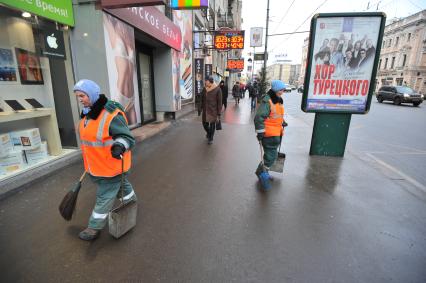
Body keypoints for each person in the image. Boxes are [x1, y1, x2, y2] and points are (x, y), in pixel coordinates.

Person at [73, 79, 137, 241]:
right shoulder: (88, 112)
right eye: (78, 96)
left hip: (110, 166)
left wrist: (119, 146)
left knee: (105, 196)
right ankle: (132, 202)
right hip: (96, 165)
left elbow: (126, 137)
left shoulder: (111, 114)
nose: (80, 99)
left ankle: (94, 227)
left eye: (83, 95)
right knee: (122, 185)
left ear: (92, 94)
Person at [254, 80, 287, 190]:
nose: (282, 92)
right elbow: (259, 117)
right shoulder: (267, 100)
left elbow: (276, 115)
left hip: (276, 132)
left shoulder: (278, 100)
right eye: (280, 90)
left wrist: (282, 121)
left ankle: (261, 173)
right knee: (271, 156)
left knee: (270, 155)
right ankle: (263, 174)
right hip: (269, 134)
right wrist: (260, 132)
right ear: (275, 89)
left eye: (283, 90)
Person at [104, 14, 137, 125]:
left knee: (134, 129)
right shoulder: (112, 29)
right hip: (120, 95)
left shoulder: (129, 33)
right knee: (120, 131)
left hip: (131, 96)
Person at [201, 76, 222, 144]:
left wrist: (219, 113)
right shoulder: (204, 89)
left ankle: (211, 138)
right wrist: (199, 108)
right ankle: (209, 133)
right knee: (204, 124)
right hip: (205, 110)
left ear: (210, 82)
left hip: (213, 110)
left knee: (212, 125)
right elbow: (201, 99)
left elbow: (219, 102)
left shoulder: (217, 89)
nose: (205, 82)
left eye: (206, 81)